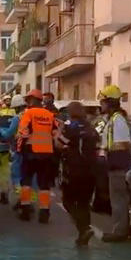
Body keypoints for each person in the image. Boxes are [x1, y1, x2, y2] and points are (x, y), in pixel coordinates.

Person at [56, 102, 100, 246]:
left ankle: (84, 229)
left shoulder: (71, 127)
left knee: (68, 202)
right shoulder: (91, 127)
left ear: (70, 112)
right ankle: (83, 235)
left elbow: (59, 144)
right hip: (91, 170)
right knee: (84, 203)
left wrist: (60, 129)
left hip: (74, 170)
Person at [98, 85, 131, 243]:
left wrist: (111, 161)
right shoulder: (113, 119)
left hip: (117, 166)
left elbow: (121, 145)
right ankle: (119, 229)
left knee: (118, 200)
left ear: (110, 102)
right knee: (117, 200)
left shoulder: (117, 120)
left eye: (103, 101)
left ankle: (119, 232)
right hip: (115, 165)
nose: (101, 104)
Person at [17, 89, 57, 223]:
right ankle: (44, 212)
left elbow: (22, 132)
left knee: (26, 181)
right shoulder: (50, 115)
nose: (27, 102)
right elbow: (55, 133)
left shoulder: (29, 113)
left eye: (28, 99)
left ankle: (25, 210)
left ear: (33, 100)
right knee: (44, 184)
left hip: (30, 153)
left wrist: (19, 148)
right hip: (47, 154)